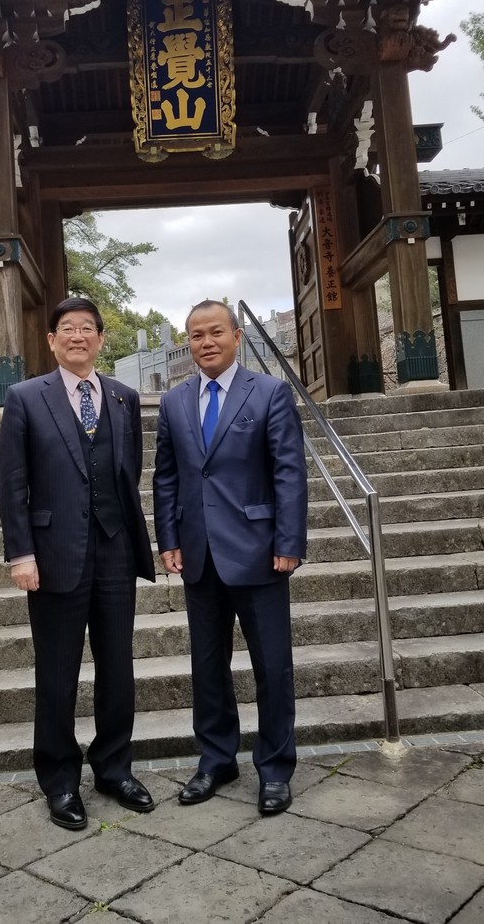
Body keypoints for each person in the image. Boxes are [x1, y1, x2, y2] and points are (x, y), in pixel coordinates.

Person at [0, 297, 156, 830]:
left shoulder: (123, 397)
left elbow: (128, 472)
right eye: (67, 328)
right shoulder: (25, 397)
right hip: (53, 553)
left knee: (118, 667)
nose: (78, 336)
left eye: (88, 328)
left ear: (100, 339)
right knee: (57, 672)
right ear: (52, 340)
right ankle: (60, 779)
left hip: (114, 550)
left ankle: (114, 768)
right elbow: (12, 483)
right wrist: (22, 554)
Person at [153, 300, 308, 816]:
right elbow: (167, 476)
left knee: (272, 666)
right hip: (199, 554)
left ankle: (275, 769)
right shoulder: (174, 402)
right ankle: (216, 759)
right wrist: (168, 538)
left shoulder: (269, 392)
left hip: (259, 552)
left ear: (237, 336)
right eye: (196, 335)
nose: (206, 342)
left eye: (216, 332)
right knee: (207, 666)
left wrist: (289, 542)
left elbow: (289, 471)